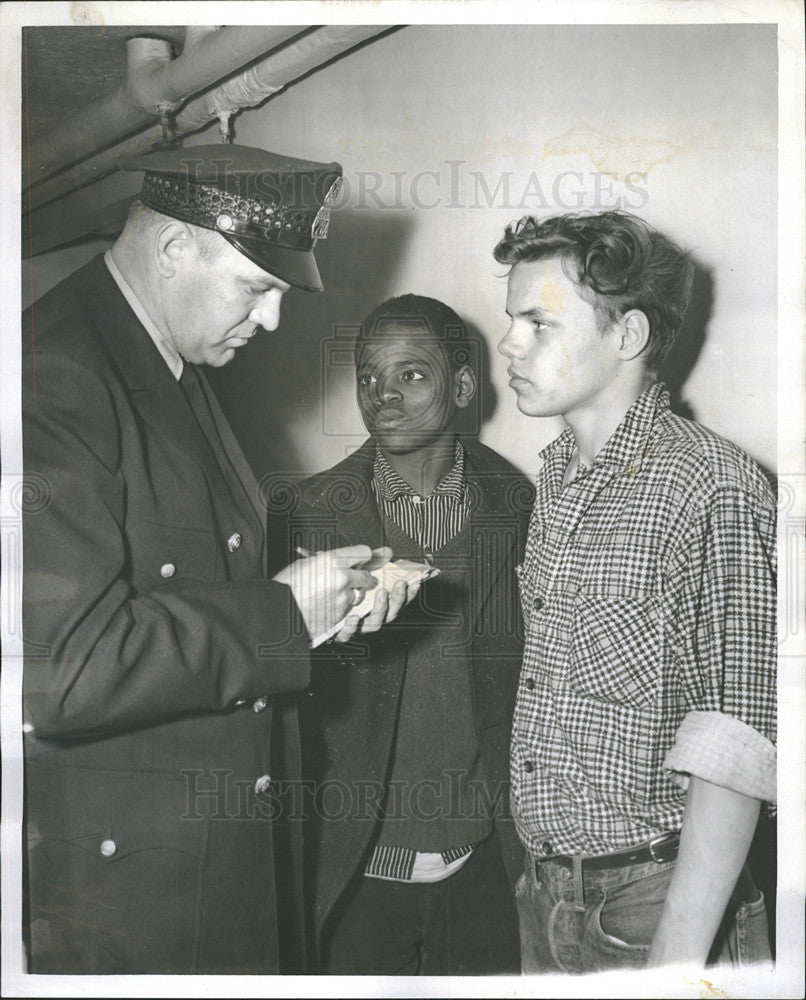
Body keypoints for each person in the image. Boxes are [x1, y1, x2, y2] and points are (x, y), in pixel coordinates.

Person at [21, 144, 411, 974]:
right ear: (172, 250)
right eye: (258, 286)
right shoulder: (53, 375)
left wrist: (322, 604)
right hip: (131, 904)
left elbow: (190, 579)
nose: (271, 320)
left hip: (208, 867)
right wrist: (282, 617)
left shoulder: (160, 357)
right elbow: (59, 671)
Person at [494, 211, 776, 973]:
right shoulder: (555, 479)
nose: (508, 346)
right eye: (510, 322)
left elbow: (737, 747)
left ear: (628, 337)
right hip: (545, 889)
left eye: (537, 325)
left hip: (655, 906)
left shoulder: (711, 486)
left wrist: (678, 963)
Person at [266, 294, 534, 974]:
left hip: (484, 867)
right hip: (354, 873)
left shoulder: (516, 501)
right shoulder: (303, 514)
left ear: (464, 386)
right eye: (368, 376)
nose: (383, 393)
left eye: (411, 374)